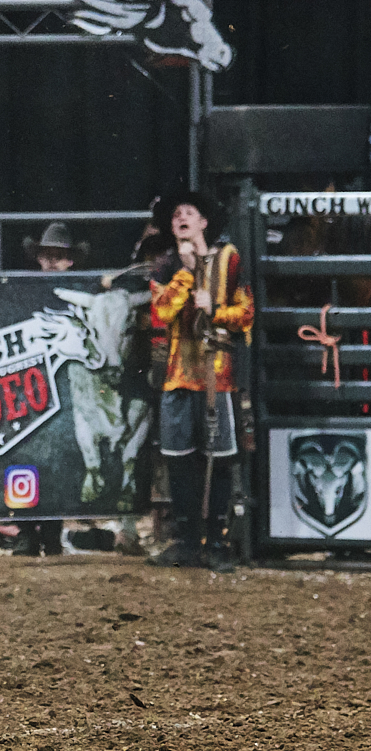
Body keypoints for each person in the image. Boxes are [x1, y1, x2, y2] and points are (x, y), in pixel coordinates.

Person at [148, 192, 252, 572]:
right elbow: (161, 312)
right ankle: (188, 541)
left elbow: (247, 313)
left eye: (189, 212)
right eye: (176, 214)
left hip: (216, 375)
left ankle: (218, 542)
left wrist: (217, 312)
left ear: (204, 222)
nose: (181, 218)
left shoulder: (229, 259)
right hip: (178, 376)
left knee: (220, 460)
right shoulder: (165, 267)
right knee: (179, 462)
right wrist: (187, 274)